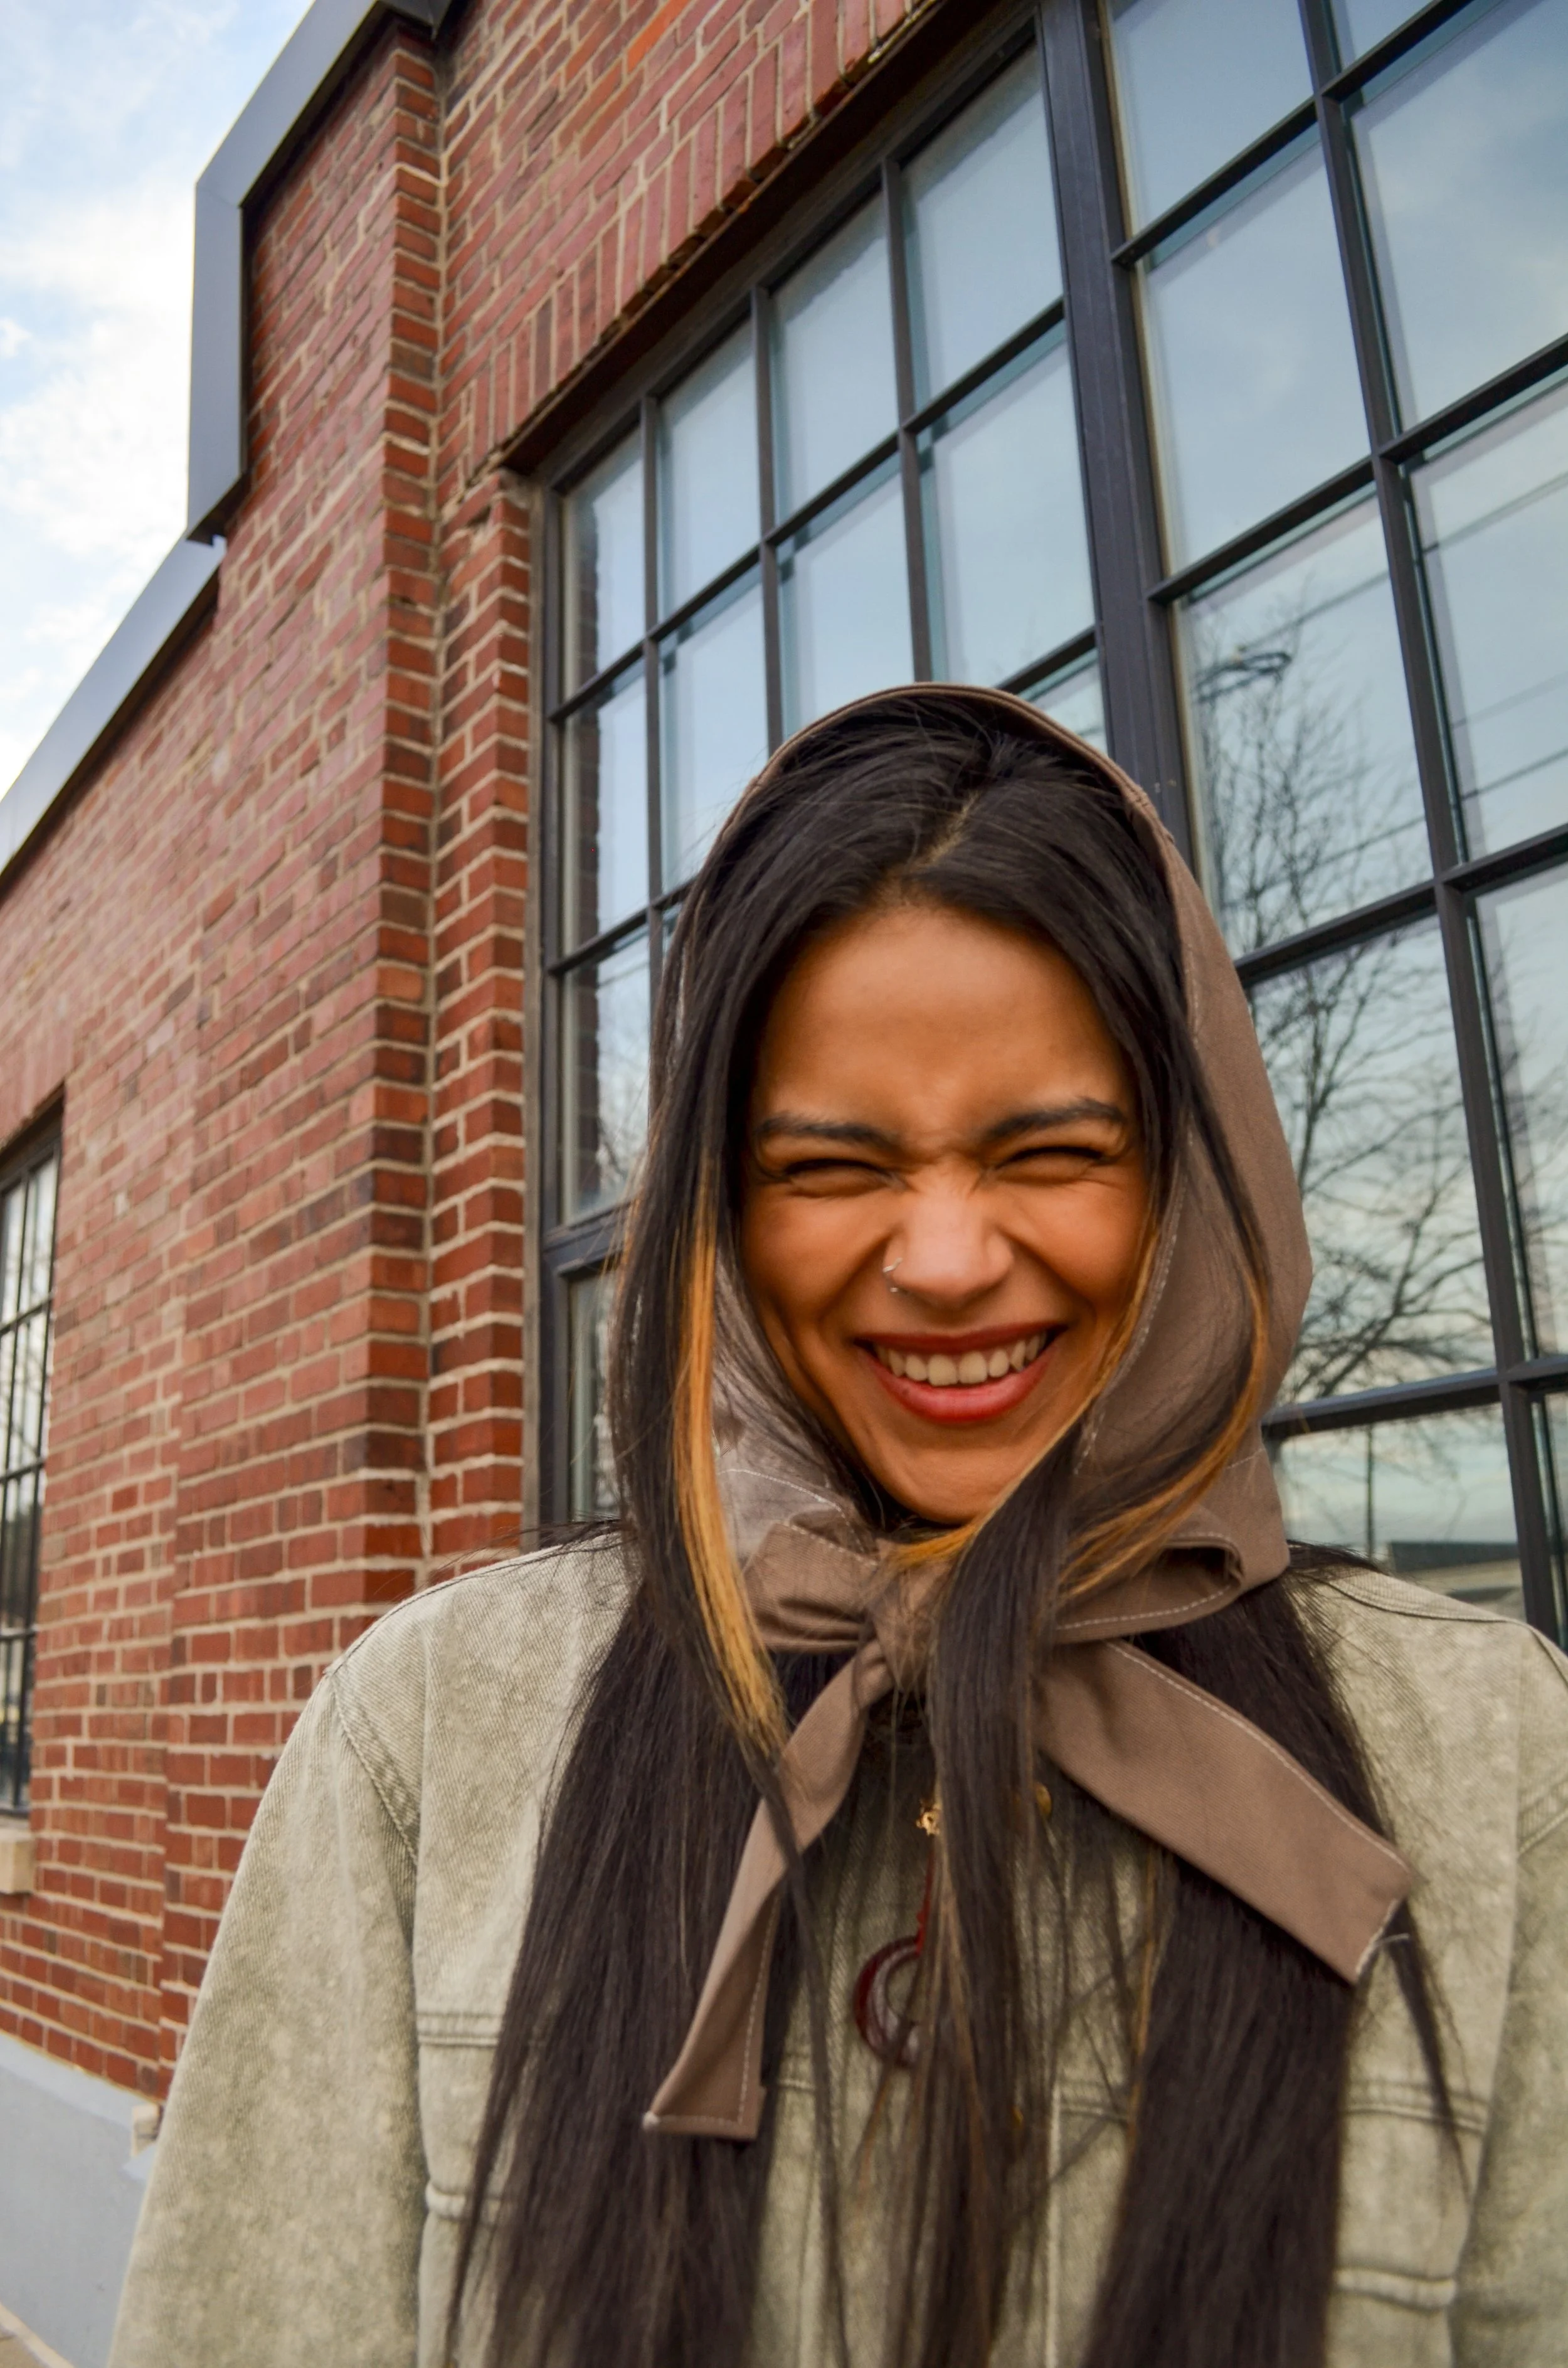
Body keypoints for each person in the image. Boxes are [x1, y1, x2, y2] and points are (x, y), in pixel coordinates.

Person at [109, 688, 1568, 2368]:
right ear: (713, 1212)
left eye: (1051, 1150)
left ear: (1187, 1177)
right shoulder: (432, 1733)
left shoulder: (1491, 1756)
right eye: (827, 1167)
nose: (945, 1259)